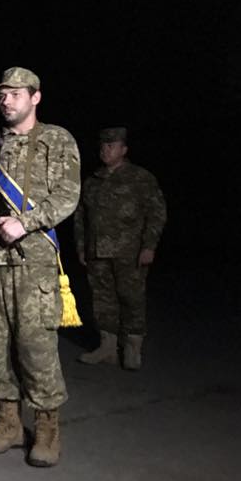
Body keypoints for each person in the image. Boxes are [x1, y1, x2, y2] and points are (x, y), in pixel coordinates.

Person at [0, 67, 81, 467]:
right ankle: (7, 423)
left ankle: (46, 429)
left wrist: (24, 222)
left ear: (35, 97)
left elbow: (68, 196)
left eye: (14, 94)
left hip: (32, 259)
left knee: (35, 347)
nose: (6, 100)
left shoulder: (56, 140)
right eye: (2, 95)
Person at [74, 127, 166, 370]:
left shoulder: (140, 178)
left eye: (111, 146)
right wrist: (82, 247)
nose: (105, 150)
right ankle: (107, 347)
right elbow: (81, 216)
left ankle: (132, 347)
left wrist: (149, 246)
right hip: (97, 252)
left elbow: (156, 213)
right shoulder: (93, 180)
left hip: (130, 251)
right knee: (102, 300)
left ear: (124, 150)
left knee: (131, 298)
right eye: (103, 146)